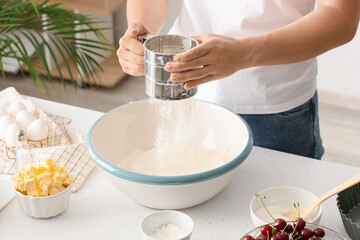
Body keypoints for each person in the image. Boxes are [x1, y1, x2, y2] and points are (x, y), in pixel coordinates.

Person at [117, 0, 360, 160]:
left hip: (272, 109)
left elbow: (340, 17)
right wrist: (141, 34)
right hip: (181, 96)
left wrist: (243, 54)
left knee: (278, 224)